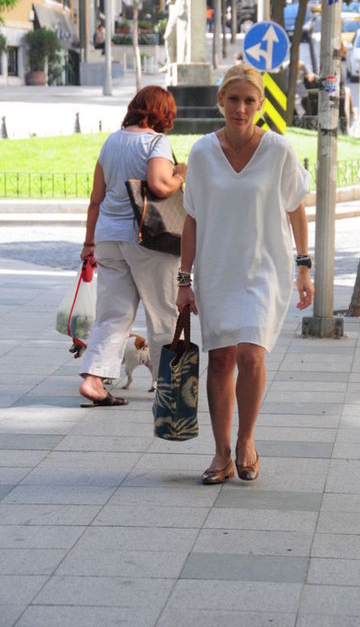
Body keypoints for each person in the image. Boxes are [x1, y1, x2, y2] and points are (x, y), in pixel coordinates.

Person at [176, 64, 314, 484]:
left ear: (261, 104)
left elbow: (296, 209)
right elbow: (191, 219)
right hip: (217, 269)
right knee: (220, 358)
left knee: (251, 354)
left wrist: (303, 266)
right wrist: (184, 280)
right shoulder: (202, 152)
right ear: (220, 101)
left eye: (249, 100)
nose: (240, 108)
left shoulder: (279, 151)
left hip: (265, 268)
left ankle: (246, 440)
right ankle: (221, 454)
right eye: (233, 99)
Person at [79, 85, 187, 407]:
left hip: (108, 238)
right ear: (163, 114)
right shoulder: (156, 142)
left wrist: (89, 243)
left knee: (113, 314)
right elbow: (159, 184)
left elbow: (95, 199)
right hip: (148, 239)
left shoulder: (111, 142)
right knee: (164, 312)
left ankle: (94, 380)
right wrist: (181, 174)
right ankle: (171, 388)